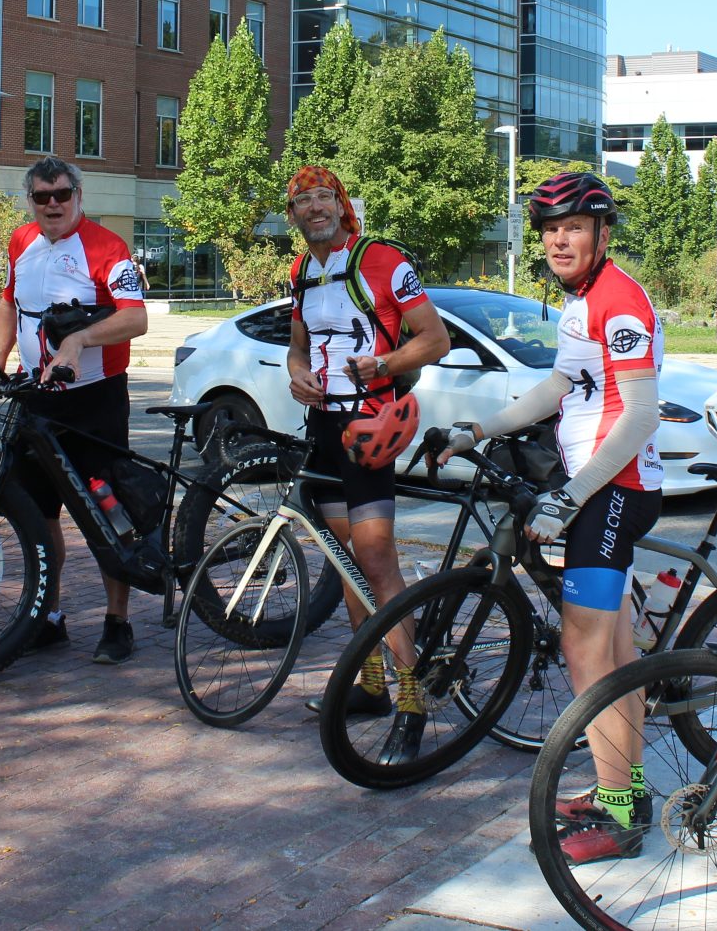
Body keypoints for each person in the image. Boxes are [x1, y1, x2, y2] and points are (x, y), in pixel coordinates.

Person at [439, 170, 664, 862]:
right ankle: (624, 786)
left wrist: (575, 494)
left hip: (614, 489)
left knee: (585, 650)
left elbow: (641, 415)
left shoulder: (619, 303)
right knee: (615, 652)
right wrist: (482, 427)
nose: (558, 239)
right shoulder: (582, 303)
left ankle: (621, 812)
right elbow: (558, 388)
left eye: (572, 226)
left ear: (601, 232)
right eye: (548, 229)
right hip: (599, 488)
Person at [283, 166, 449, 730]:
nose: (315, 208)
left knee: (377, 560)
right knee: (346, 557)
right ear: (294, 215)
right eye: (303, 201)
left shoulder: (382, 259)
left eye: (324, 197)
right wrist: (295, 371)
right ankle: (370, 683)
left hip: (370, 427)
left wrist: (384, 362)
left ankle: (411, 696)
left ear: (341, 203)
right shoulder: (301, 270)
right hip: (323, 428)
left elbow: (435, 338)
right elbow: (298, 346)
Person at [0, 156, 149, 664]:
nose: (53, 204)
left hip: (95, 398)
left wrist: (80, 341)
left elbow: (135, 319)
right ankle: (46, 617)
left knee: (110, 513)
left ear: (78, 195)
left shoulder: (107, 248)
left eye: (62, 194)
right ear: (30, 200)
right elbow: (8, 304)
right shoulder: (20, 242)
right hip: (37, 401)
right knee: (38, 514)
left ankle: (119, 622)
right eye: (42, 196)